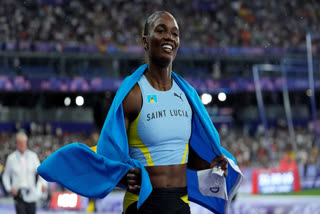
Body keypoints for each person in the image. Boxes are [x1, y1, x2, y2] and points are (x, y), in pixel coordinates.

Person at [37, 11, 242, 214]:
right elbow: (111, 152)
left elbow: (192, 158)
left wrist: (212, 164)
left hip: (180, 202)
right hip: (142, 203)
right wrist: (121, 175)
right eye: (161, 31)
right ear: (145, 42)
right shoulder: (133, 95)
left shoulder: (188, 95)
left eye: (175, 33)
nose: (169, 37)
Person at [2, 132, 47, 214]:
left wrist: (43, 184)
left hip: (31, 192)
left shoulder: (33, 156)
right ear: (16, 144)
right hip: (18, 193)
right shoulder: (11, 158)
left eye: (23, 142)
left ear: (26, 143)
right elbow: (6, 176)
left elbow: (40, 172)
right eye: (20, 142)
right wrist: (9, 188)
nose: (22, 144)